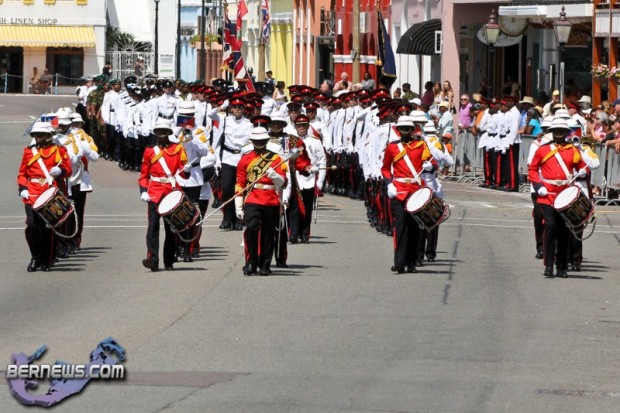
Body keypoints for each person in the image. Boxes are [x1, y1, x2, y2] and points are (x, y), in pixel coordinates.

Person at [528, 117, 588, 278]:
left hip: (565, 195)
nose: (559, 134)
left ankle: (561, 266)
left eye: (562, 131)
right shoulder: (543, 149)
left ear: (566, 133)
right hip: (547, 194)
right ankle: (548, 264)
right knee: (551, 226)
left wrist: (583, 171)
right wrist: (539, 186)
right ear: (552, 133)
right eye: (556, 131)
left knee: (564, 230)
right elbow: (532, 169)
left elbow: (583, 167)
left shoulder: (572, 150)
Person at [18, 122, 72, 272]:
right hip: (32, 193)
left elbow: (68, 170)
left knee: (48, 228)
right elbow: (23, 173)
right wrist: (22, 188)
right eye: (36, 135)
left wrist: (60, 171)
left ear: (49, 136)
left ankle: (47, 260)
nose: (38, 138)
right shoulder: (29, 152)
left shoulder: (59, 150)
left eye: (41, 135)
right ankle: (35, 257)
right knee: (32, 226)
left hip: (50, 192)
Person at [382, 115, 433, 274]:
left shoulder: (421, 145)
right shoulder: (392, 147)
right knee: (401, 225)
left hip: (416, 191)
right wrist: (389, 183)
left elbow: (433, 162)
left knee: (415, 227)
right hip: (399, 190)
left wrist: (431, 166)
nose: (404, 131)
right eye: (401, 128)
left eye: (407, 128)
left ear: (412, 130)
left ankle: (412, 262)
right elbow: (385, 168)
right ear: (398, 130)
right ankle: (399, 262)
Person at [139, 119, 190, 272]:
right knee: (152, 227)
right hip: (154, 192)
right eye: (159, 132)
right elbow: (144, 175)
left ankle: (169, 260)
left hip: (171, 191)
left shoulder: (178, 148)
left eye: (164, 132)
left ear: (168, 133)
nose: (161, 135)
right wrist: (143, 191)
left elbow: (184, 175)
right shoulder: (149, 150)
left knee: (171, 228)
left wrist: (187, 169)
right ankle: (152, 259)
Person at [235, 127, 288, 275]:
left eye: (262, 141)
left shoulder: (276, 159)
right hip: (252, 197)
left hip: (270, 198)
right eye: (256, 141)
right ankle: (251, 262)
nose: (259, 144)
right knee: (251, 228)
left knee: (268, 234)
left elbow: (283, 182)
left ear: (266, 141)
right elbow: (240, 183)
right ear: (252, 141)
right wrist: (238, 207)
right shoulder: (245, 159)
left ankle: (265, 265)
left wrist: (274, 175)